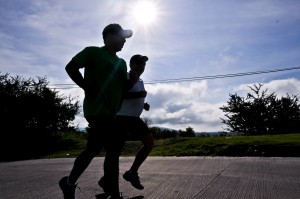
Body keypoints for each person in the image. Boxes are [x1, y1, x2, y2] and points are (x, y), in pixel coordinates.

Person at [58, 23, 138, 199]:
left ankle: (69, 182)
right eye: (121, 36)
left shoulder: (121, 63)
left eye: (126, 38)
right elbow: (70, 67)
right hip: (97, 111)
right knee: (110, 150)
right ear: (109, 35)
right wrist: (87, 87)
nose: (124, 41)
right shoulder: (93, 52)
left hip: (113, 113)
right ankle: (113, 193)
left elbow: (123, 90)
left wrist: (132, 80)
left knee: (96, 150)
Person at [98, 54, 154, 191]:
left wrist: (143, 104)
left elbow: (135, 97)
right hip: (121, 118)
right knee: (114, 152)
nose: (142, 66)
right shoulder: (125, 77)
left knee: (149, 143)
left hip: (134, 118)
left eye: (144, 64)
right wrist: (138, 96)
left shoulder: (140, 81)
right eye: (139, 63)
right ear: (131, 65)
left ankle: (132, 172)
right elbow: (119, 94)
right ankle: (106, 180)